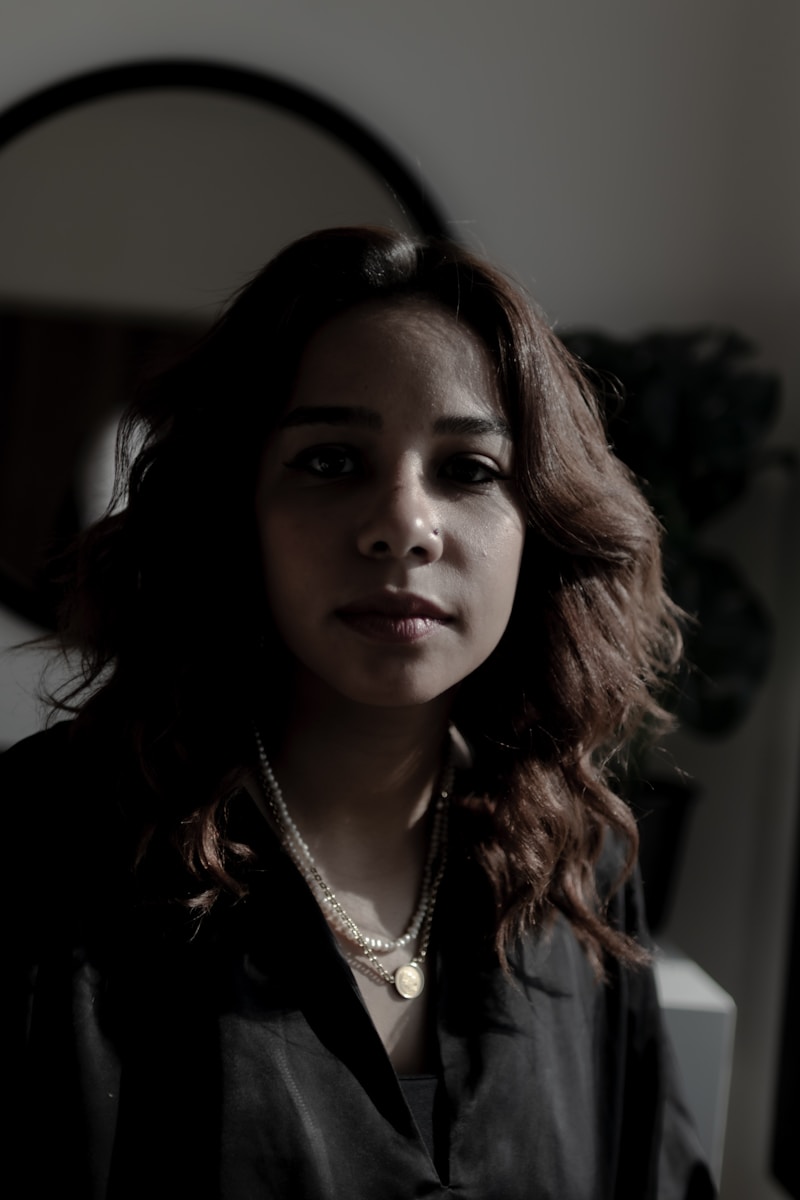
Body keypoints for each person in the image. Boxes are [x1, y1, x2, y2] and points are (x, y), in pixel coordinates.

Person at [5, 226, 715, 1198]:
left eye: (469, 470)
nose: (402, 526)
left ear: (538, 526)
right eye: (332, 460)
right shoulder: (45, 842)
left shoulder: (578, 866)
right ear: (236, 505)